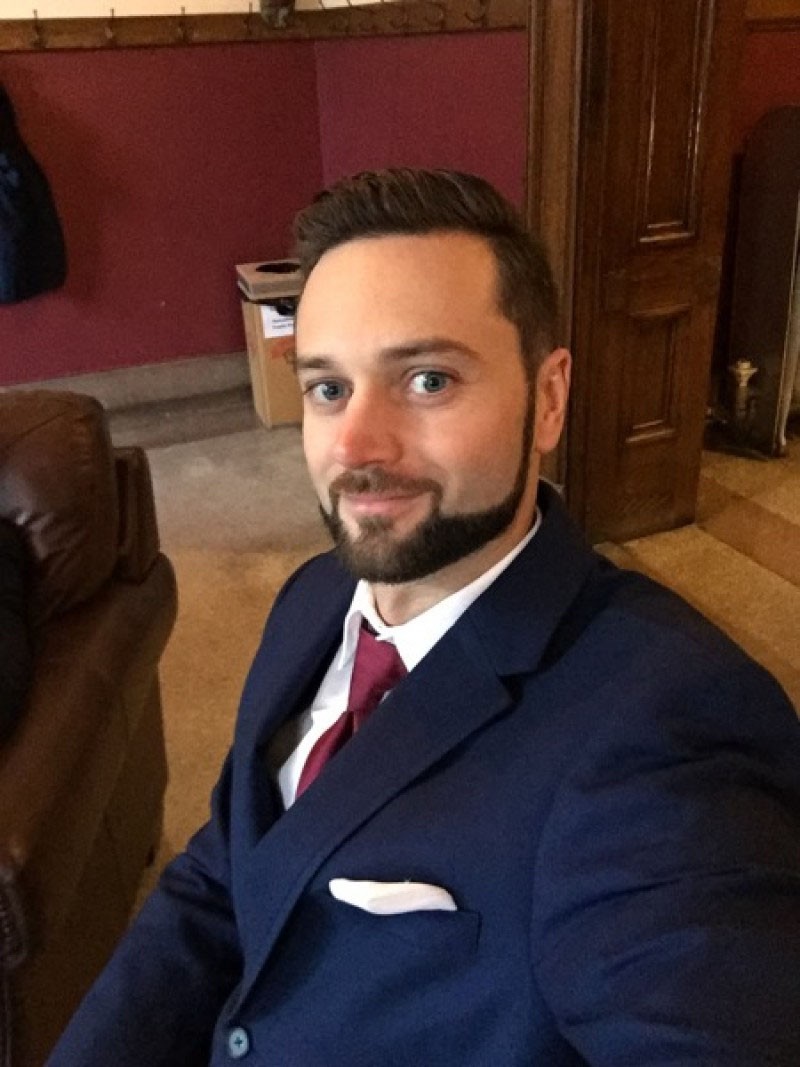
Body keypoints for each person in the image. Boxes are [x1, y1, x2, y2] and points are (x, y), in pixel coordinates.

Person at [51, 169, 800, 1066]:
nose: (355, 446)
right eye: (329, 389)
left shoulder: (668, 727)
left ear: (549, 398)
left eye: (428, 378)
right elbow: (225, 874)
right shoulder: (314, 597)